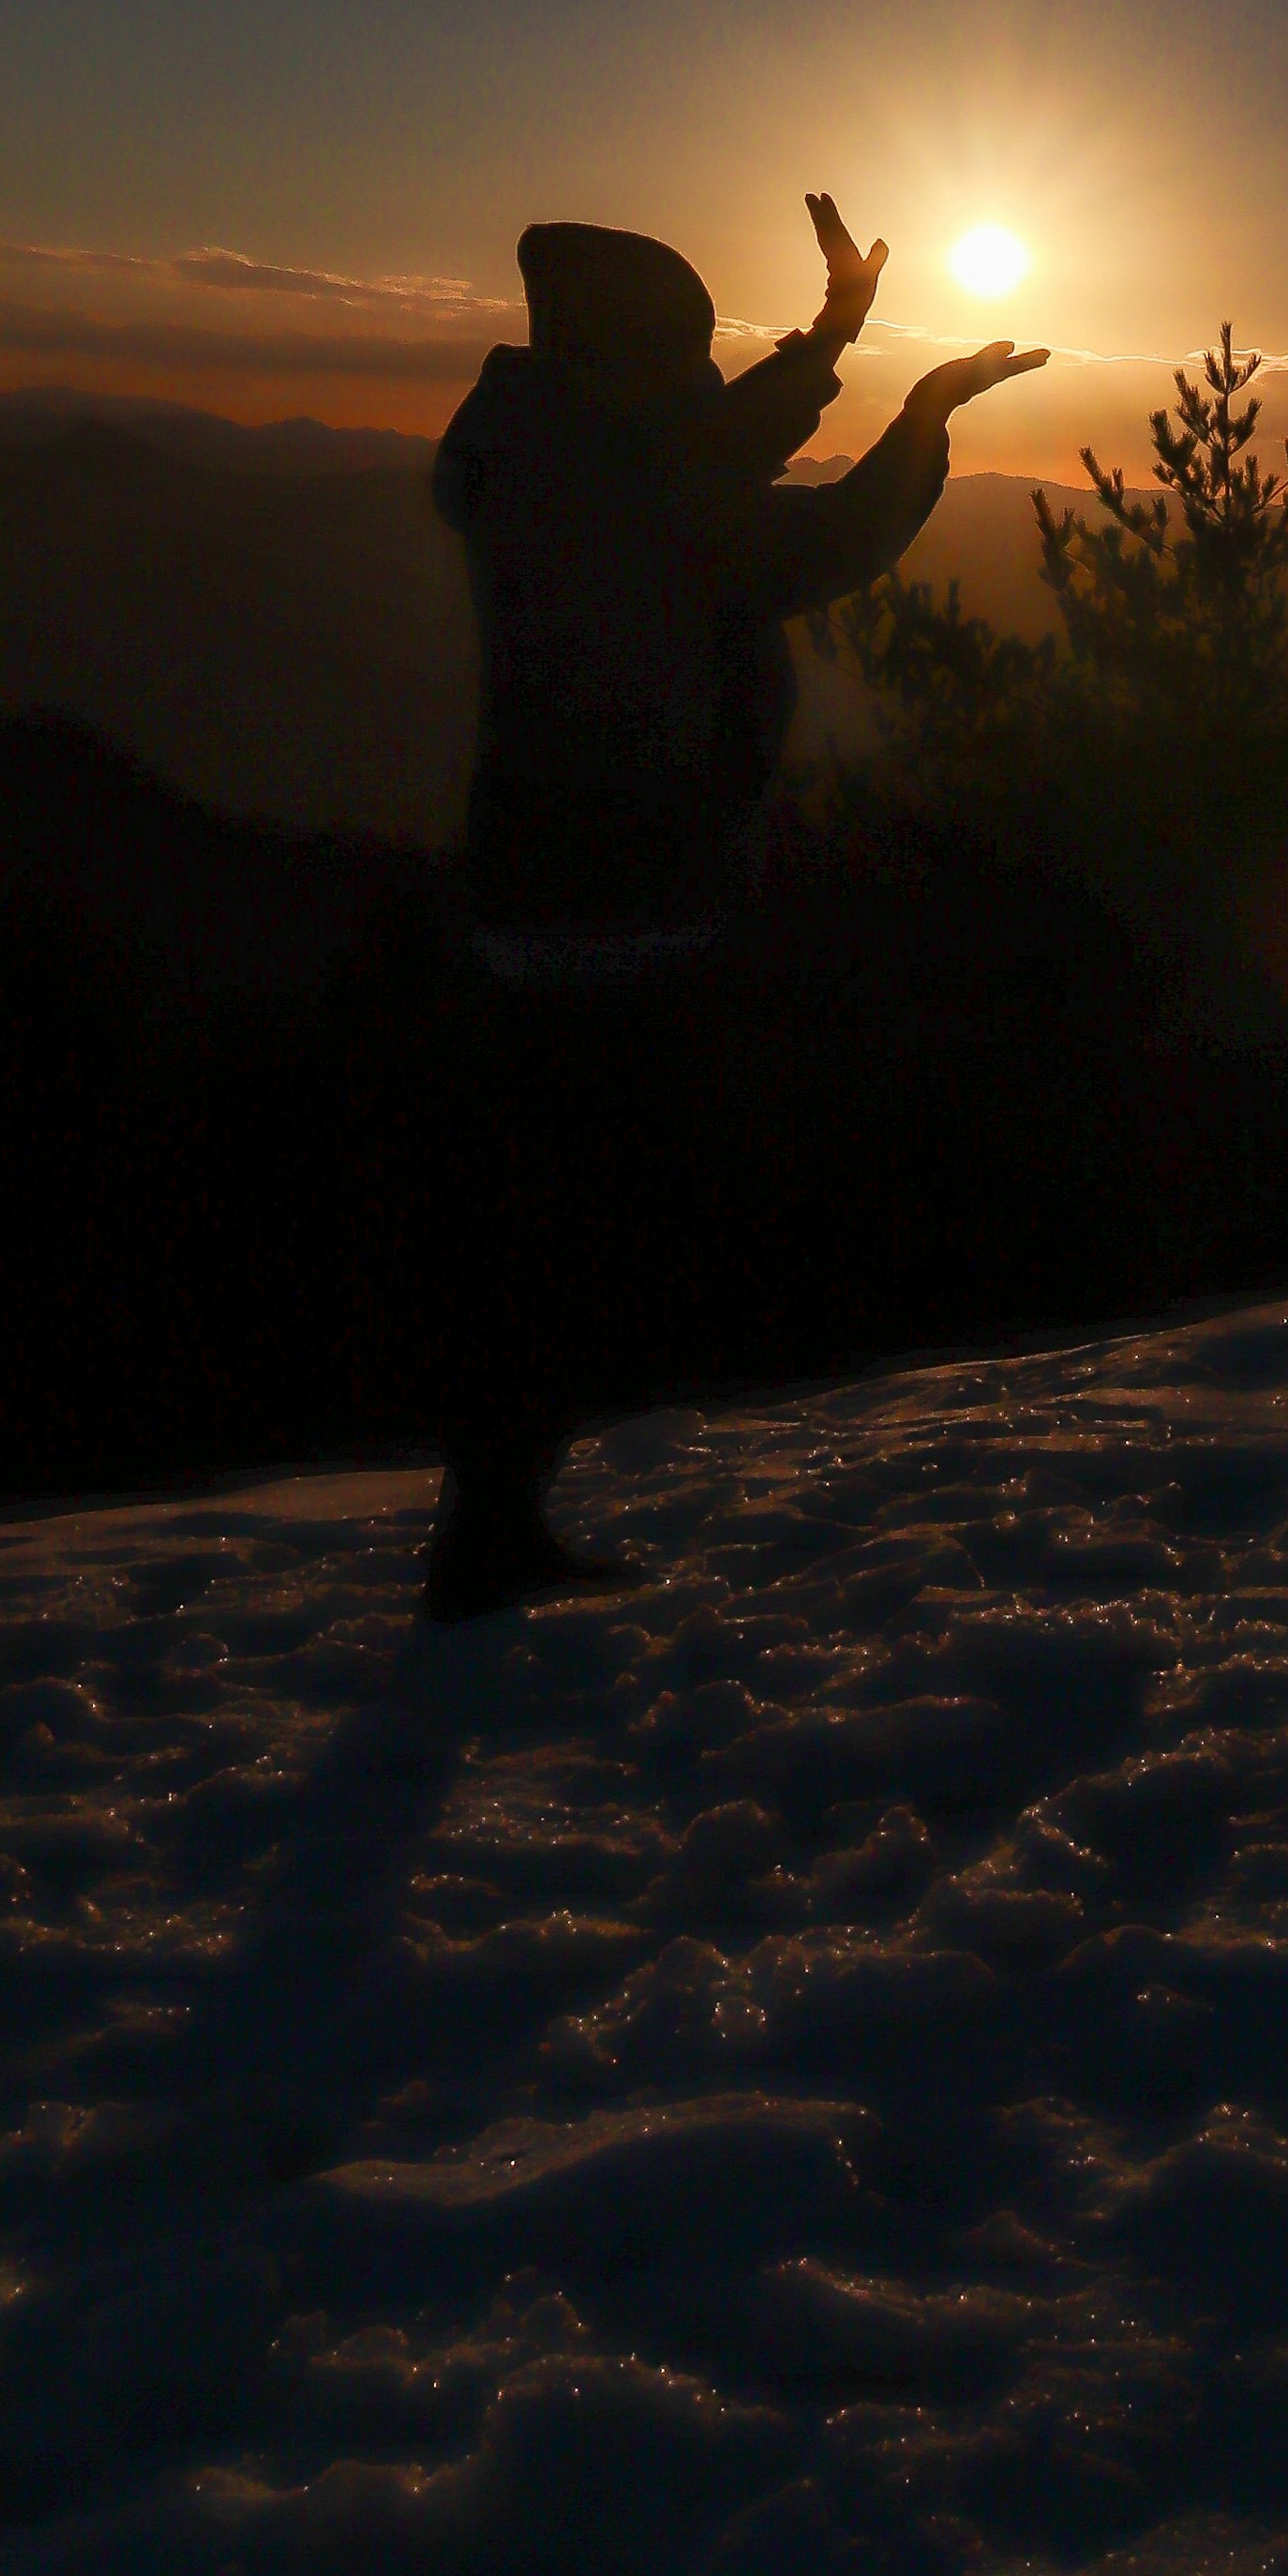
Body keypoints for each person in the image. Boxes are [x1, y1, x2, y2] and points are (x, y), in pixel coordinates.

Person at [417, 193, 1040, 1614]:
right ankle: (495, 1531)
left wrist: (832, 338)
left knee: (540, 1204)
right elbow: (804, 543)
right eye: (685, 357)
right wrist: (923, 410)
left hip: (534, 879)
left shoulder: (537, 444)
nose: (701, 383)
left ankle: (493, 1519)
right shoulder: (612, 484)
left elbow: (697, 455)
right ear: (633, 360)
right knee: (579, 1214)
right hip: (613, 890)